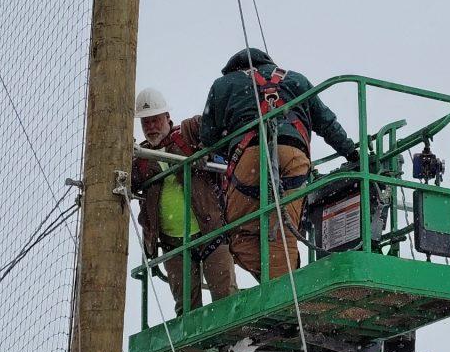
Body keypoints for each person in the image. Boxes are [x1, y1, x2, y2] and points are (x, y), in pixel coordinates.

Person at [199, 48, 358, 280]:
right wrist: (352, 154)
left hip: (248, 156)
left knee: (241, 236)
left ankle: (284, 288)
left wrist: (230, 141)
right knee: (282, 231)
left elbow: (208, 138)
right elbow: (327, 123)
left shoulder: (223, 85)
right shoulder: (296, 79)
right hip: (293, 156)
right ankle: (287, 284)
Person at [132, 87, 237, 316]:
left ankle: (233, 347)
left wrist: (208, 151)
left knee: (226, 301)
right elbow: (124, 181)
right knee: (186, 311)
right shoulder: (139, 158)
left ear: (168, 118)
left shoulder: (189, 132)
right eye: (145, 123)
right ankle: (198, 351)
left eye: (155, 120)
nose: (150, 127)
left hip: (210, 233)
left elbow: (223, 131)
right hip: (173, 245)